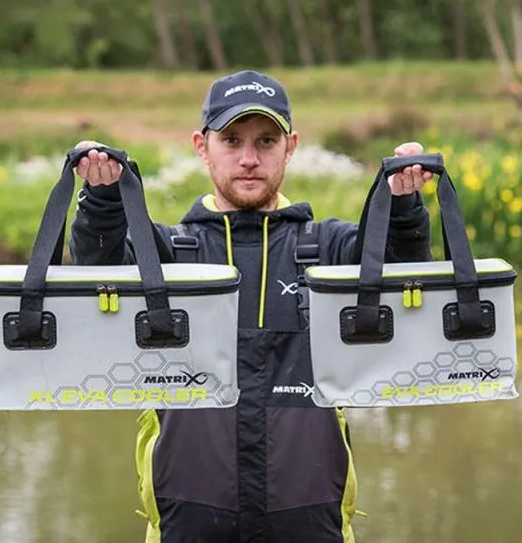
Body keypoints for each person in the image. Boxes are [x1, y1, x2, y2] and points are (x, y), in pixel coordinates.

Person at [69, 70, 433, 543]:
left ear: (291, 146)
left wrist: (403, 207)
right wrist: (102, 201)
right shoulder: (165, 252)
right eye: (231, 140)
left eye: (265, 141)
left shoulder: (331, 248)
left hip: (312, 526)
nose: (248, 158)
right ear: (202, 146)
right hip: (186, 528)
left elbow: (403, 275)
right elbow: (97, 269)